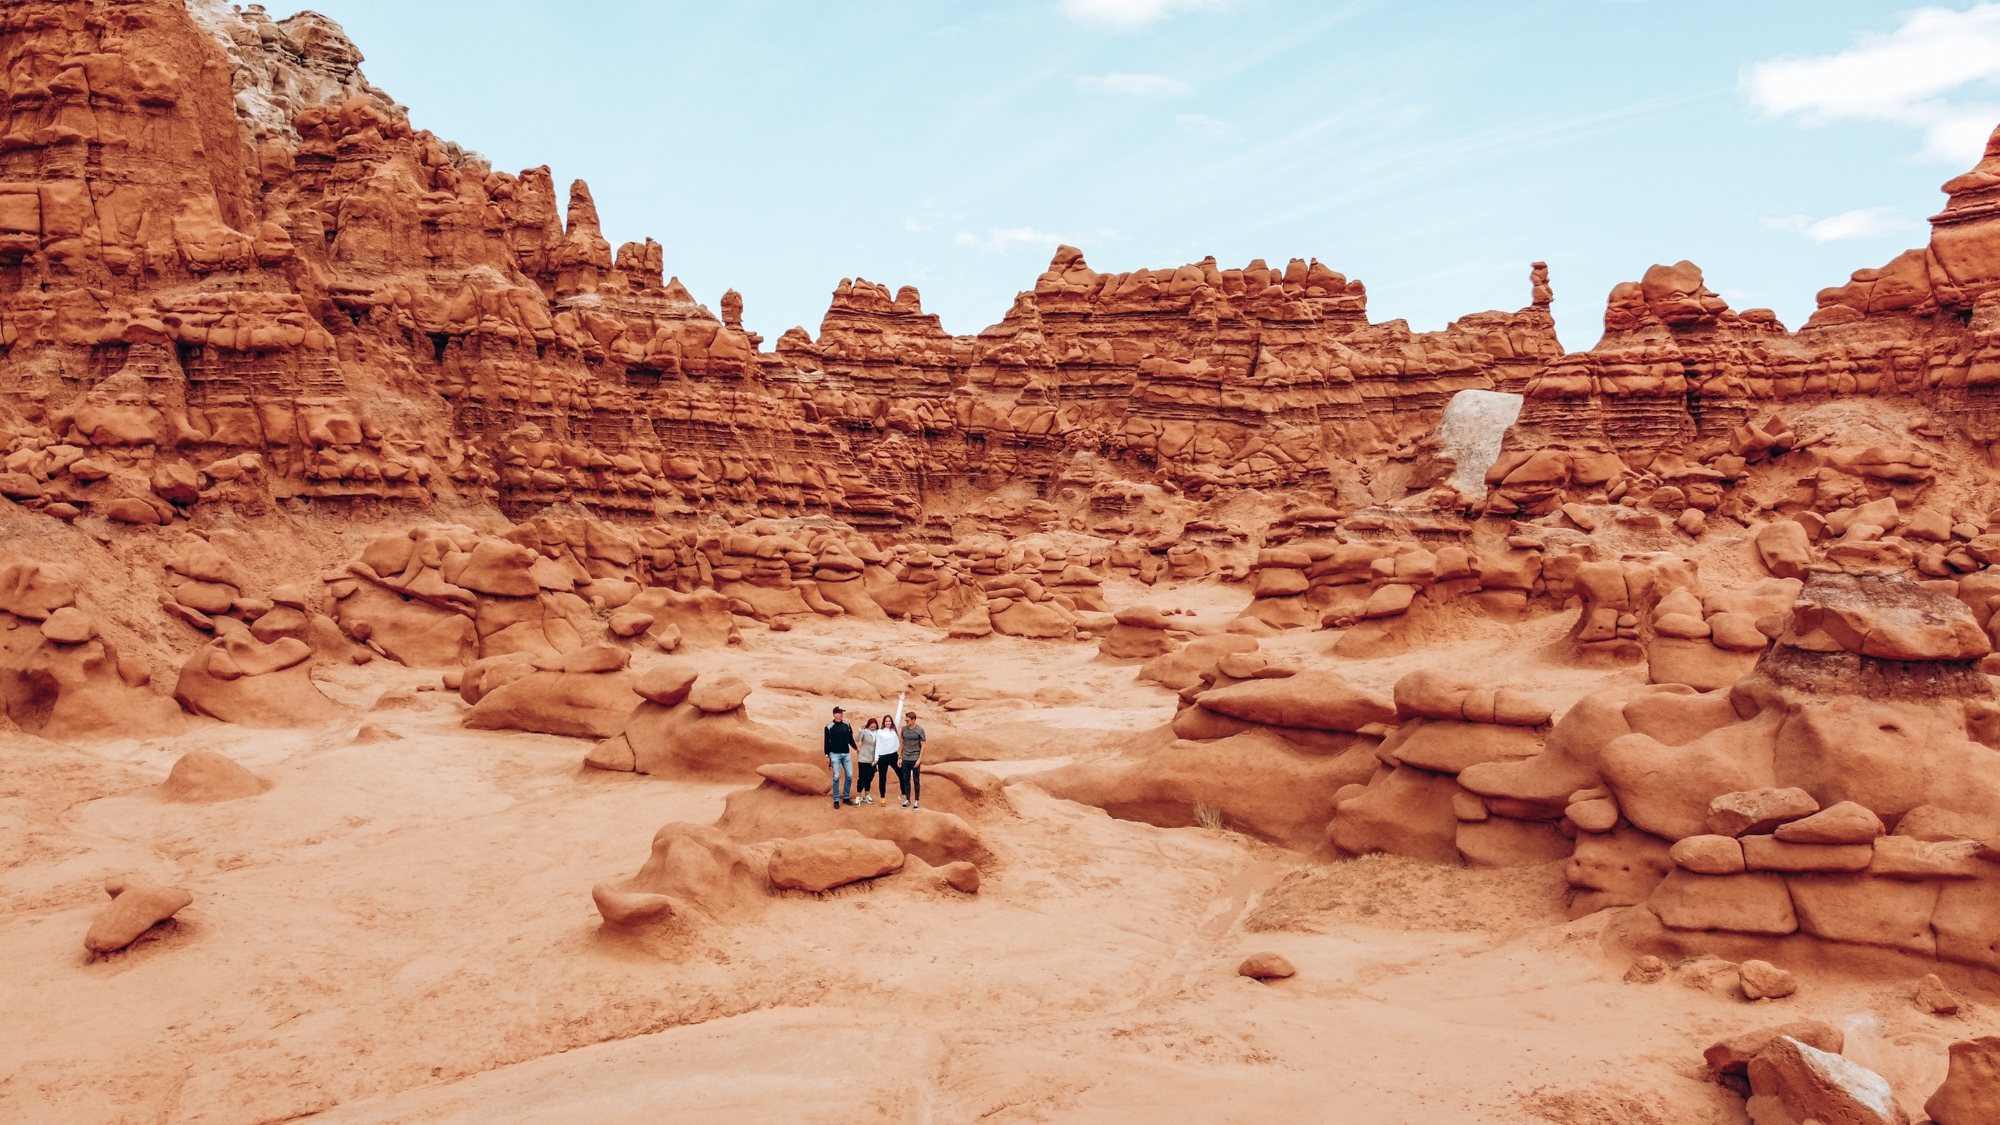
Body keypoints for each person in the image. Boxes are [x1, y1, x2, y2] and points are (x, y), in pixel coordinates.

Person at [822, 705, 858, 808]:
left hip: (846, 753)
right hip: (834, 754)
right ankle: (836, 800)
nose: (841, 714)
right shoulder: (829, 727)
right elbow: (826, 742)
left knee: (849, 775)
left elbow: (849, 738)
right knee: (836, 776)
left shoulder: (847, 724)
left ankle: (846, 797)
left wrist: (855, 748)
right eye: (839, 712)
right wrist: (826, 755)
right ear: (834, 714)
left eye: (842, 712)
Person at [895, 709, 926, 809]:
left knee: (916, 780)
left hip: (915, 758)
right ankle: (907, 799)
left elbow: (923, 745)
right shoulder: (904, 730)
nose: (906, 722)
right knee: (905, 779)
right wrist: (900, 757)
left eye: (907, 720)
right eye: (905, 720)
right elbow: (902, 743)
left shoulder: (919, 730)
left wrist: (919, 759)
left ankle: (917, 801)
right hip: (905, 758)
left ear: (913, 720)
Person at [872, 713, 898, 802]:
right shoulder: (880, 732)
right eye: (886, 721)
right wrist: (876, 759)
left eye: (889, 721)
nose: (888, 723)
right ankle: (882, 798)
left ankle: (904, 795)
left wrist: (901, 701)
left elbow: (898, 716)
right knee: (882, 778)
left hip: (893, 756)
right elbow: (877, 746)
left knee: (901, 774)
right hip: (882, 757)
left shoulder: (894, 729)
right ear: (883, 722)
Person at [855, 718, 881, 805]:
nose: (873, 728)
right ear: (868, 725)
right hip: (863, 758)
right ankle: (858, 796)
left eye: (874, 727)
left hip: (873, 760)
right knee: (862, 777)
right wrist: (860, 730)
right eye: (871, 727)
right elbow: (857, 739)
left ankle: (866, 795)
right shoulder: (865, 732)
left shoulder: (878, 733)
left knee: (869, 778)